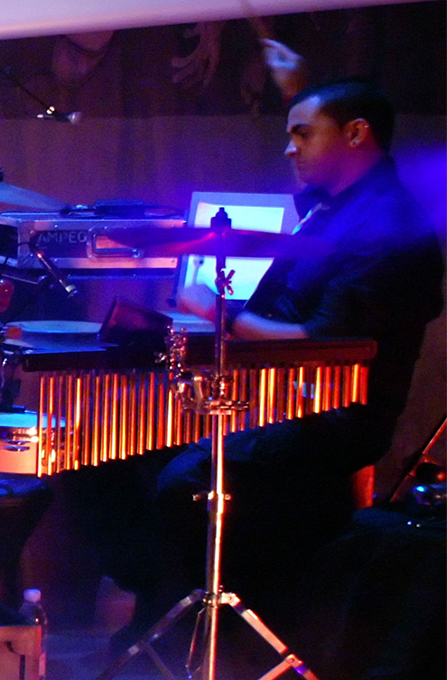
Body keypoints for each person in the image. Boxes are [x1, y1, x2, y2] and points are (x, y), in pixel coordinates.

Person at [117, 75, 444, 649]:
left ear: (356, 134)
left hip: (332, 413)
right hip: (272, 391)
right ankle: (166, 604)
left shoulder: (390, 225)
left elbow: (320, 342)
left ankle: (211, 629)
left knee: (184, 479)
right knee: (112, 451)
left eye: (302, 133)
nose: (289, 149)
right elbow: (279, 316)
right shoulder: (329, 212)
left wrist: (217, 312)